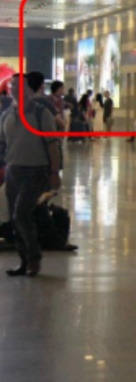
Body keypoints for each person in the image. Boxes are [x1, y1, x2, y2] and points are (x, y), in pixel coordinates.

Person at [0, 74, 62, 277]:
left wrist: (54, 172)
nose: (14, 89)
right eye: (12, 85)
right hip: (13, 170)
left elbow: (52, 144)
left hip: (36, 170)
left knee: (22, 214)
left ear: (29, 89)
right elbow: (2, 144)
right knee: (15, 217)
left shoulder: (40, 113)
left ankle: (34, 258)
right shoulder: (7, 115)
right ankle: (24, 260)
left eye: (19, 86)